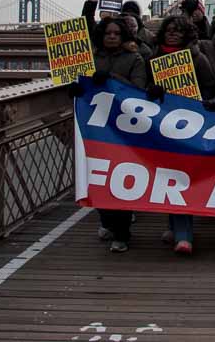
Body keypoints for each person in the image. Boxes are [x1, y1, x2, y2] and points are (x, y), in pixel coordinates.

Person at [147, 14, 215, 255]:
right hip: (162, 126)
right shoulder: (154, 58)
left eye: (178, 30)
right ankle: (175, 225)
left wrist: (203, 103)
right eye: (169, 30)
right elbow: (141, 91)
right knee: (169, 176)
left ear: (186, 33)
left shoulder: (198, 59)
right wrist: (151, 91)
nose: (173, 33)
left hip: (192, 126)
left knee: (182, 177)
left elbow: (210, 87)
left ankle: (183, 234)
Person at [79, 17, 147, 253]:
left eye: (116, 33)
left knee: (119, 179)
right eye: (107, 32)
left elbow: (138, 89)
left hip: (123, 129)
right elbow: (80, 86)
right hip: (95, 127)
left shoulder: (134, 59)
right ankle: (107, 222)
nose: (111, 36)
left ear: (123, 36)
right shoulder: (89, 59)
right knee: (97, 176)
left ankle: (122, 233)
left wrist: (110, 79)